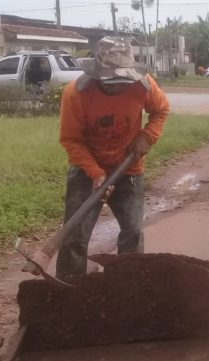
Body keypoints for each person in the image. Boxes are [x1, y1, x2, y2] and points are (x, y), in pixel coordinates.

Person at [56, 36, 170, 279]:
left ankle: (128, 283)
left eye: (123, 80)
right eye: (113, 81)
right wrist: (96, 174)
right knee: (74, 234)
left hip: (129, 168)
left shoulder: (143, 85)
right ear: (98, 73)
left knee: (133, 232)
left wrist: (147, 136)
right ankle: (68, 289)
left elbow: (161, 110)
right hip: (86, 167)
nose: (120, 86)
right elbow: (71, 140)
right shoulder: (76, 94)